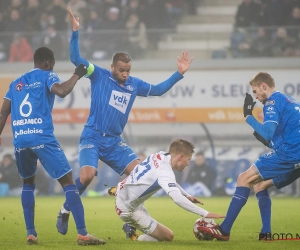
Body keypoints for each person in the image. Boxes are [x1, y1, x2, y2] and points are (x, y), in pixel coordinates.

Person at [56, 7, 193, 236]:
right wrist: (76, 32)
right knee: (87, 176)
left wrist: (178, 73)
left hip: (114, 142)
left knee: (142, 173)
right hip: (92, 136)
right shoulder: (97, 74)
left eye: (128, 70)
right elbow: (76, 60)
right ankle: (64, 210)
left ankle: (130, 220)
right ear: (112, 67)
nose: (125, 74)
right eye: (121, 70)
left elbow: (158, 90)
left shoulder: (134, 84)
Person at [0, 46, 105, 245]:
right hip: (42, 138)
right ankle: (83, 233)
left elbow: (3, 113)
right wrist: (77, 74)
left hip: (21, 140)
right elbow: (63, 91)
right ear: (48, 63)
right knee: (69, 184)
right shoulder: (47, 75)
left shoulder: (15, 84)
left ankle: (31, 233)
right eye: (53, 65)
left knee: (28, 185)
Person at [198, 72, 300, 241]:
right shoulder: (290, 101)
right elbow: (283, 136)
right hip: (295, 154)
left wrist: (248, 117)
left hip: (291, 154)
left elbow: (267, 133)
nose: (256, 96)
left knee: (243, 178)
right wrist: (270, 144)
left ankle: (224, 230)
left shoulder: (272, 102)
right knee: (259, 186)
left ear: (264, 86)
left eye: (255, 91)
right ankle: (265, 233)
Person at [115, 139, 225, 242]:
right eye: (189, 159)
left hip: (124, 193)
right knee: (168, 236)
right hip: (127, 209)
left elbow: (171, 181)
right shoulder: (165, 172)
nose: (188, 164)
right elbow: (177, 199)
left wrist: (187, 195)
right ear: (181, 157)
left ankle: (130, 223)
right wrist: (205, 213)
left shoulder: (161, 155)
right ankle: (134, 236)